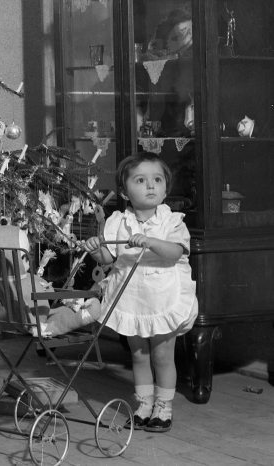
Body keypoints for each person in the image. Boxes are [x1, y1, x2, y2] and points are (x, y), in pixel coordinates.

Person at [83, 152, 197, 433]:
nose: (150, 186)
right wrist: (96, 247)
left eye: (157, 180)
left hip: (161, 295)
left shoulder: (172, 221)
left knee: (161, 354)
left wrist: (151, 241)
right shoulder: (117, 222)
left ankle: (163, 406)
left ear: (165, 188)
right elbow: (108, 258)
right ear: (124, 191)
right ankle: (144, 404)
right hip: (131, 295)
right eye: (141, 180)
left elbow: (174, 253)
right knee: (139, 355)